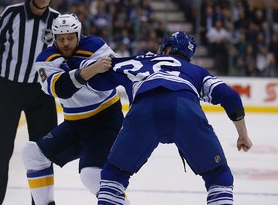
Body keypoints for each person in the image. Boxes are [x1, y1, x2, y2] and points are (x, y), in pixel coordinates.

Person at [82, 31, 253, 204]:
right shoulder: (196, 71)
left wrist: (81, 69)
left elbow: (95, 79)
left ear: (167, 49)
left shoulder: (140, 60)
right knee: (219, 177)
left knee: (113, 177)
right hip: (185, 110)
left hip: (143, 111)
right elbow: (230, 97)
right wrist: (243, 135)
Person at [20, 13, 129, 205]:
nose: (66, 43)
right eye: (61, 39)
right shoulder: (45, 59)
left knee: (91, 175)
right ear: (54, 38)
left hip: (106, 121)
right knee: (32, 153)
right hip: (74, 124)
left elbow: (116, 73)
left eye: (70, 37)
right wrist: (91, 69)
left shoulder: (96, 46)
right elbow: (61, 89)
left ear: (79, 34)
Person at [0, 0, 60, 204]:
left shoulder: (57, 20)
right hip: (8, 89)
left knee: (43, 153)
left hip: (41, 92)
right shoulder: (12, 14)